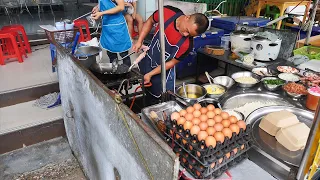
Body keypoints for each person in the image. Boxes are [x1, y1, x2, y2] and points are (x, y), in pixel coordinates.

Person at [132, 6, 209, 105]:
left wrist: (150, 74)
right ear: (187, 17)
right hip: (149, 60)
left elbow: (171, 63)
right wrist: (139, 41)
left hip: (165, 73)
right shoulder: (167, 12)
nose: (185, 35)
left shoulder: (187, 45)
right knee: (146, 93)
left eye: (190, 35)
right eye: (187, 30)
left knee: (164, 101)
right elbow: (150, 20)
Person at [92, 0, 132, 67]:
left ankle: (127, 72)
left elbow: (121, 7)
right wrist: (98, 7)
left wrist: (102, 13)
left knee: (123, 53)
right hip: (107, 27)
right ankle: (114, 70)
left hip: (117, 27)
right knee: (111, 53)